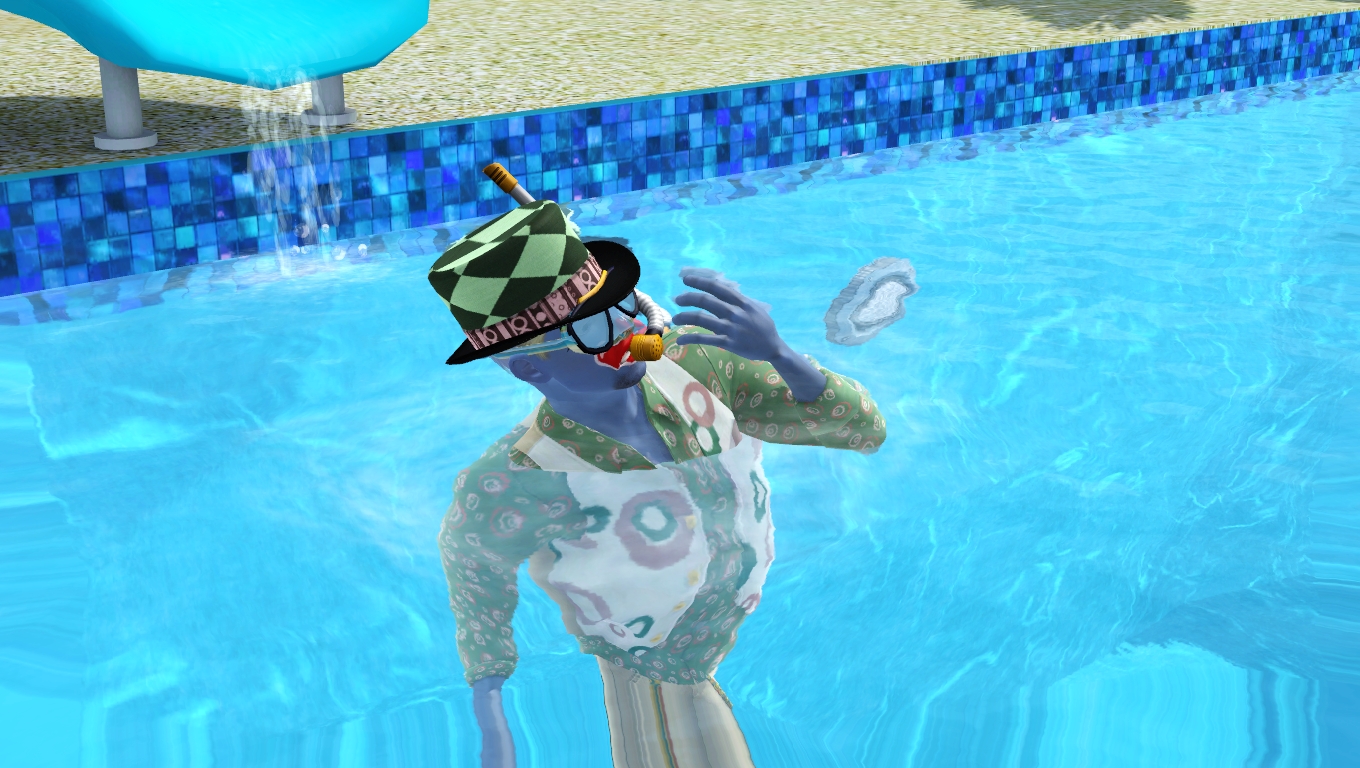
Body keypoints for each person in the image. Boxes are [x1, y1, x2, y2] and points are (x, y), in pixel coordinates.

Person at [428, 198, 886, 767]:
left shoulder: (700, 367)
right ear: (529, 366)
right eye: (594, 326)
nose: (631, 330)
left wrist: (780, 354)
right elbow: (474, 577)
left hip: (726, 636)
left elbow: (863, 430)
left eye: (625, 306)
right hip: (654, 667)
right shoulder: (519, 476)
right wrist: (491, 712)